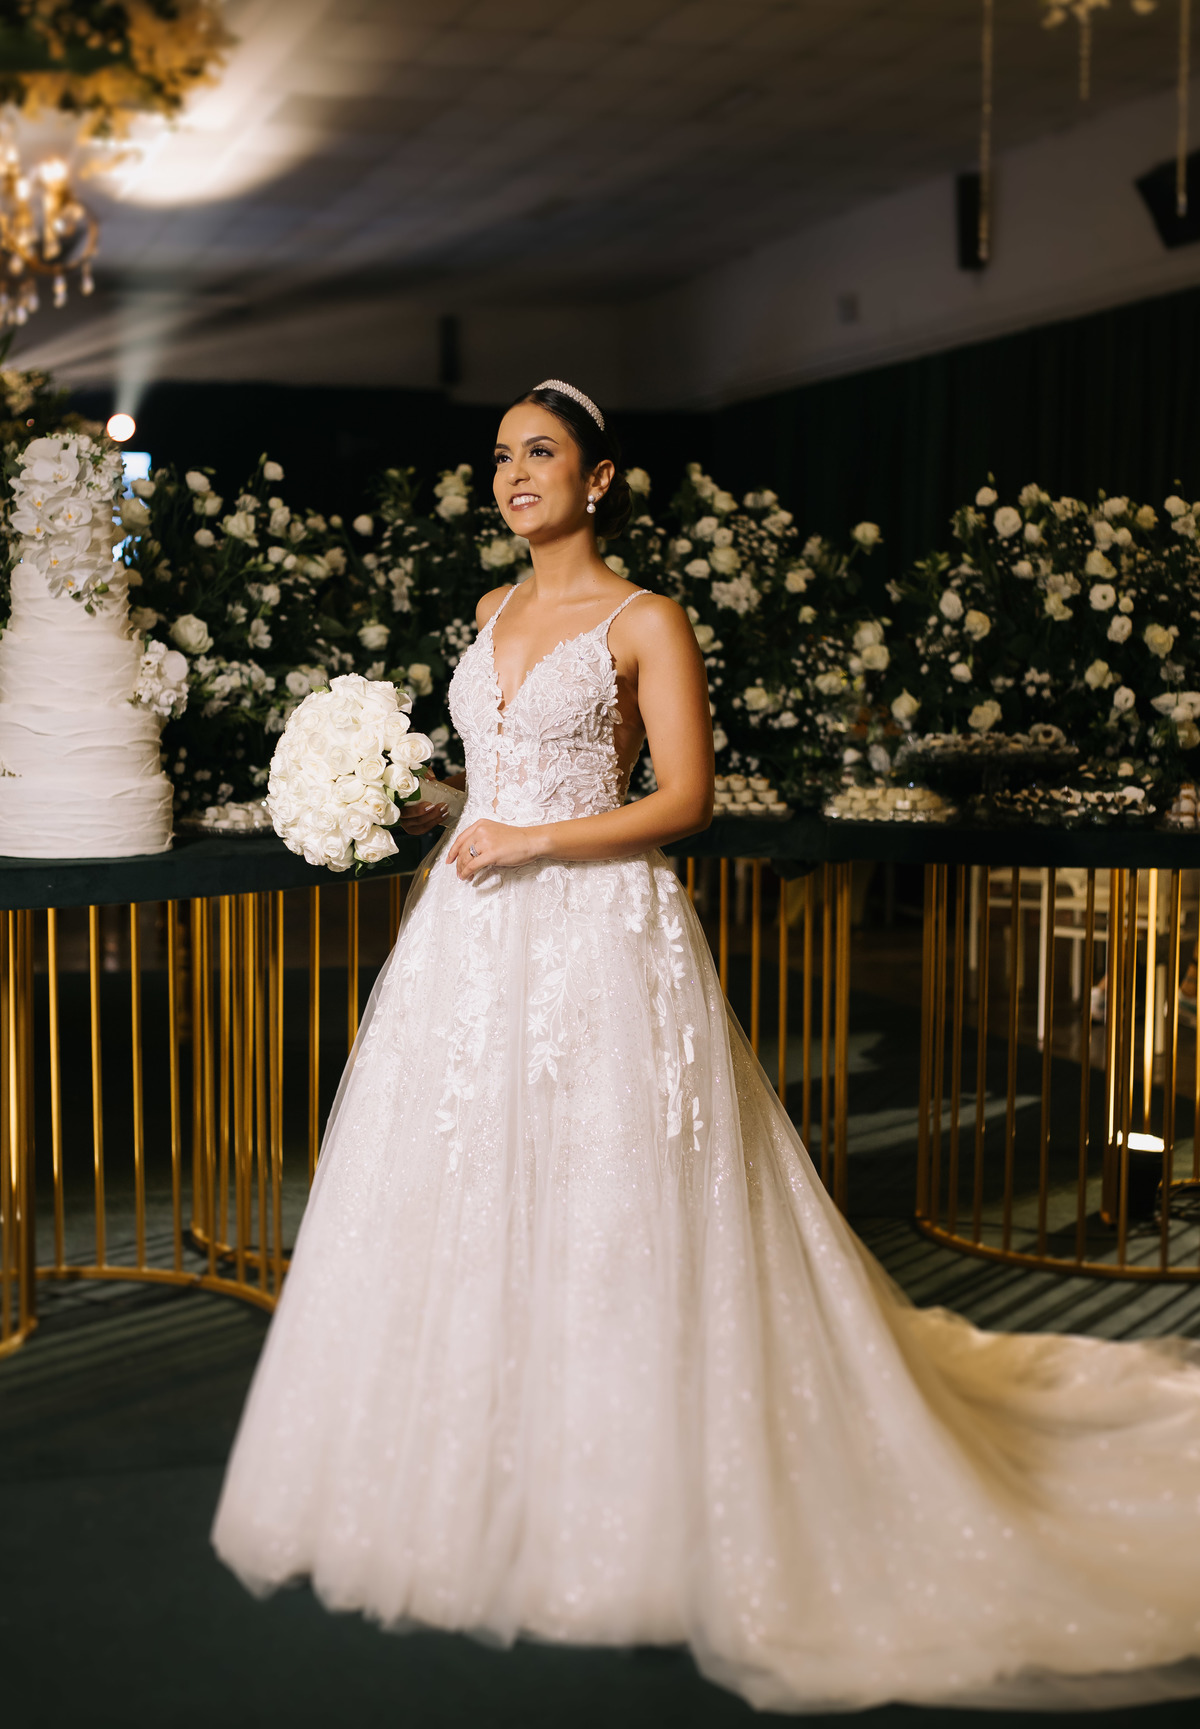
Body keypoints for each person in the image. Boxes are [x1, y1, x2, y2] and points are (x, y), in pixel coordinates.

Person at [213, 381, 1200, 1713]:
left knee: (614, 1190)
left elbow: (680, 797)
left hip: (596, 927)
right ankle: (469, 1466)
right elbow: (491, 782)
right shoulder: (491, 611)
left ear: (598, 478)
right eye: (499, 457)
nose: (513, 475)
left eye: (541, 452)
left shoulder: (645, 620)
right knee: (454, 1176)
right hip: (469, 931)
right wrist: (403, 790)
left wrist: (533, 838)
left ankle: (625, 1498)